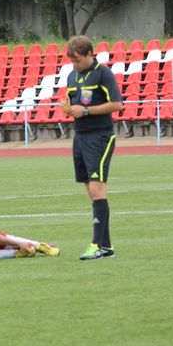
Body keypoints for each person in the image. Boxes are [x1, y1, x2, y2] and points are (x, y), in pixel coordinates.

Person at [60, 35, 124, 260]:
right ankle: (106, 246)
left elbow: (117, 104)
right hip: (80, 137)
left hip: (100, 136)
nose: (74, 65)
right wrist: (69, 109)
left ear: (89, 54)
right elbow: (75, 103)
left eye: (77, 60)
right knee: (90, 190)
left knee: (97, 189)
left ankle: (96, 244)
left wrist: (85, 111)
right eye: (72, 61)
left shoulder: (103, 73)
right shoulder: (71, 76)